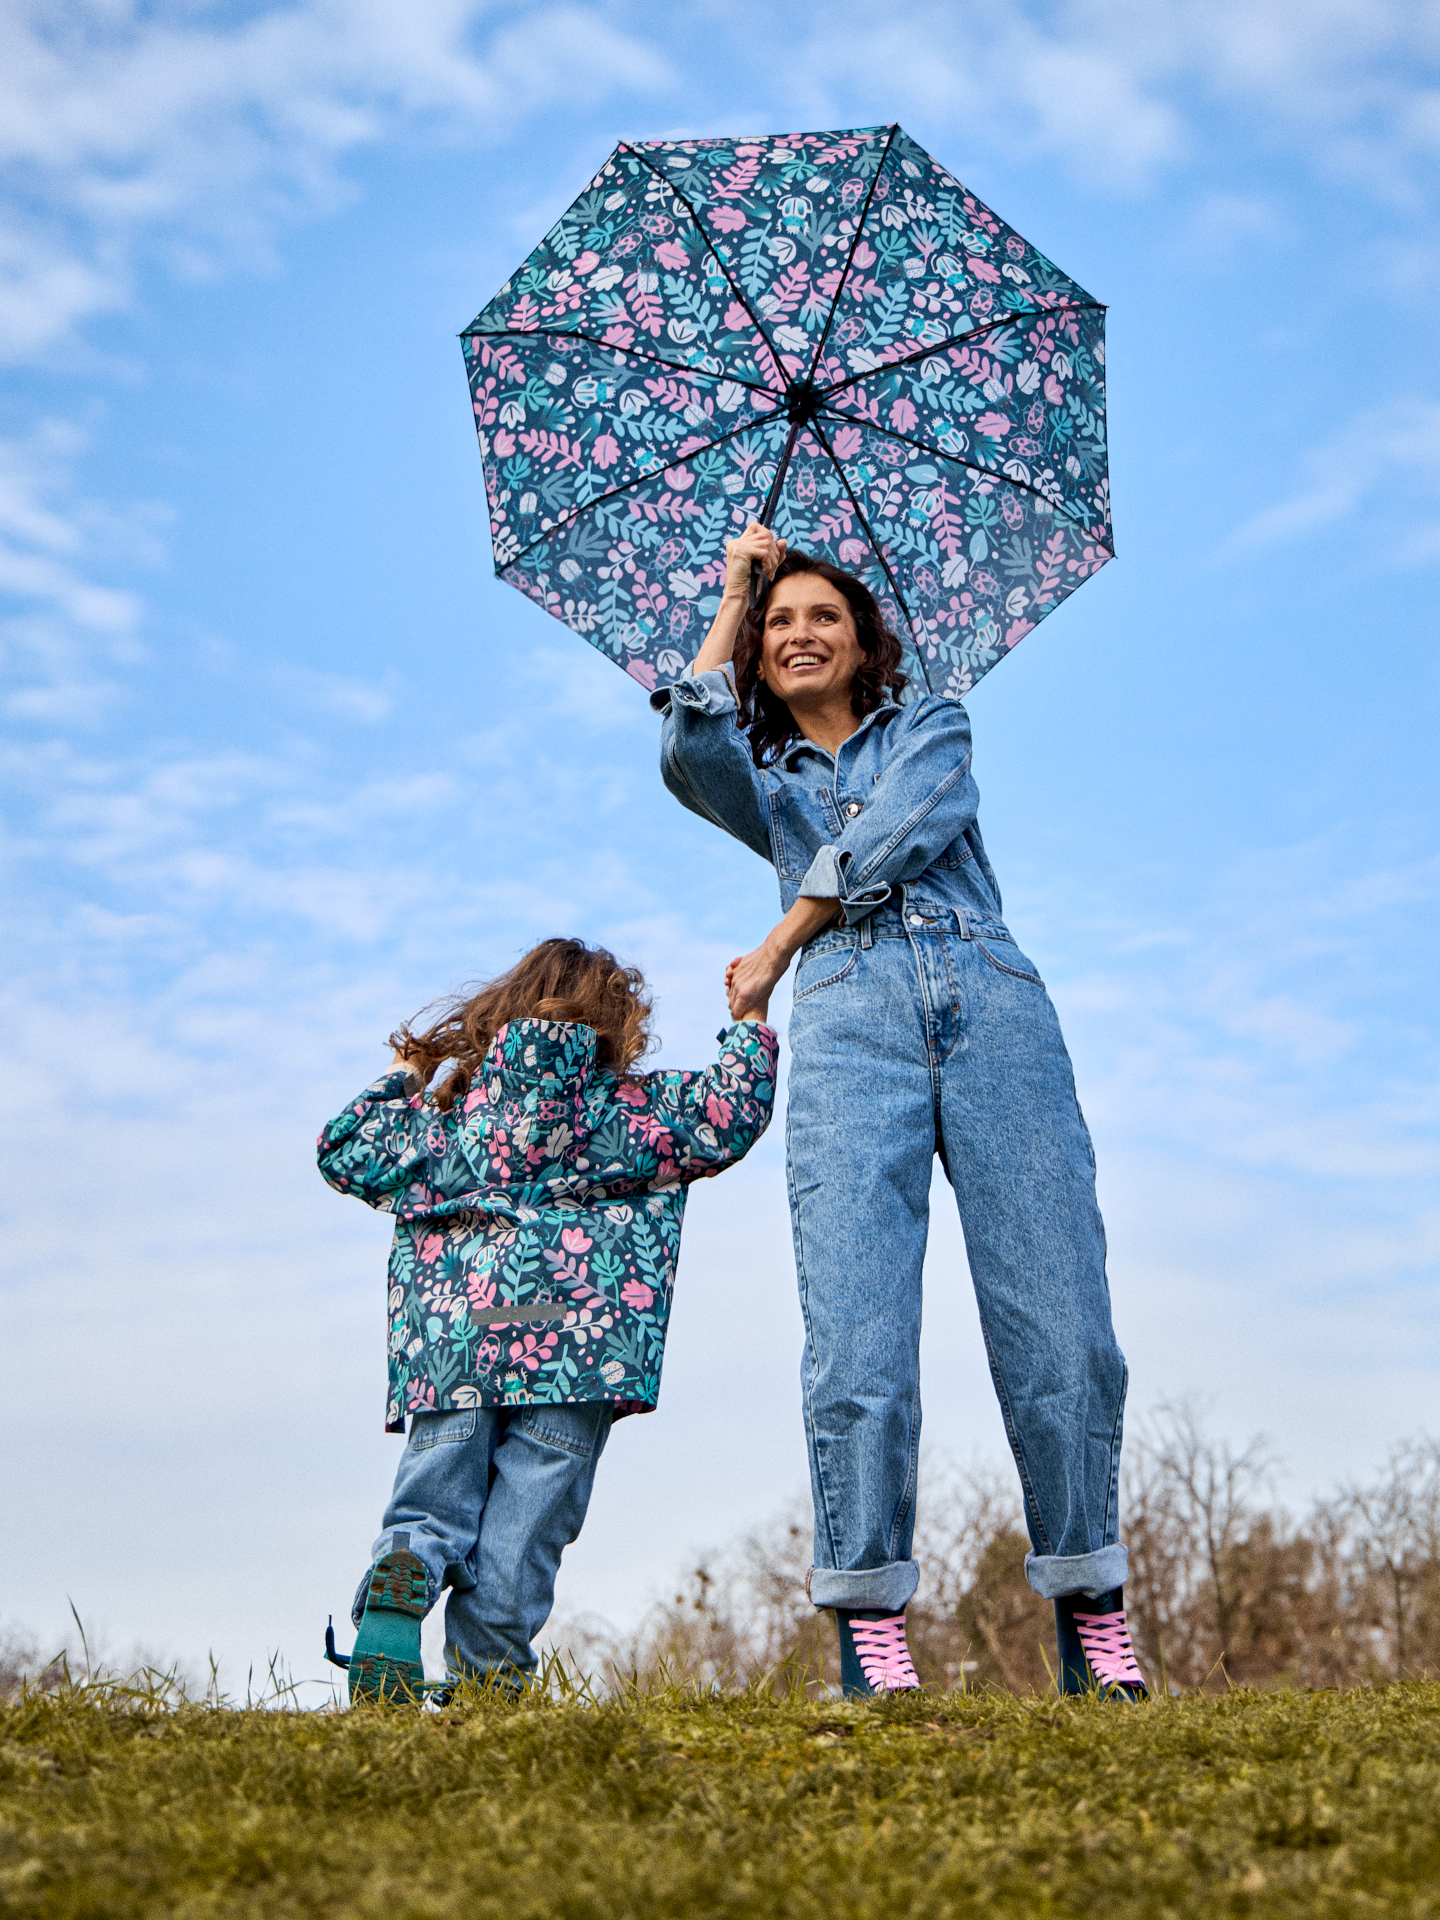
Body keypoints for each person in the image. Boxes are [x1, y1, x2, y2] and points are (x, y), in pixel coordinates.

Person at [651, 525, 1146, 1701]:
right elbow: (683, 746)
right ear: (761, 659)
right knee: (858, 1331)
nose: (798, 633)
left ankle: (1092, 1610)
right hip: (850, 1032)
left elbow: (898, 834)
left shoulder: (935, 724)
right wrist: (734, 587)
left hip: (993, 1007)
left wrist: (779, 936)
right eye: (779, 626)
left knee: (1060, 1315)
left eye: (822, 617)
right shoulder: (761, 785)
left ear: (866, 643)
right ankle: (870, 1621)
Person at [317, 936, 777, 1703]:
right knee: (524, 1537)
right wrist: (751, 1015)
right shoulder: (627, 1111)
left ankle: (407, 1567)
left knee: (434, 1503)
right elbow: (729, 1113)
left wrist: (404, 1080)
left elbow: (345, 1150)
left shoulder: (456, 1116)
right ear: (614, 1024)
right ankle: (492, 1689)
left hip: (459, 1345)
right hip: (577, 1351)